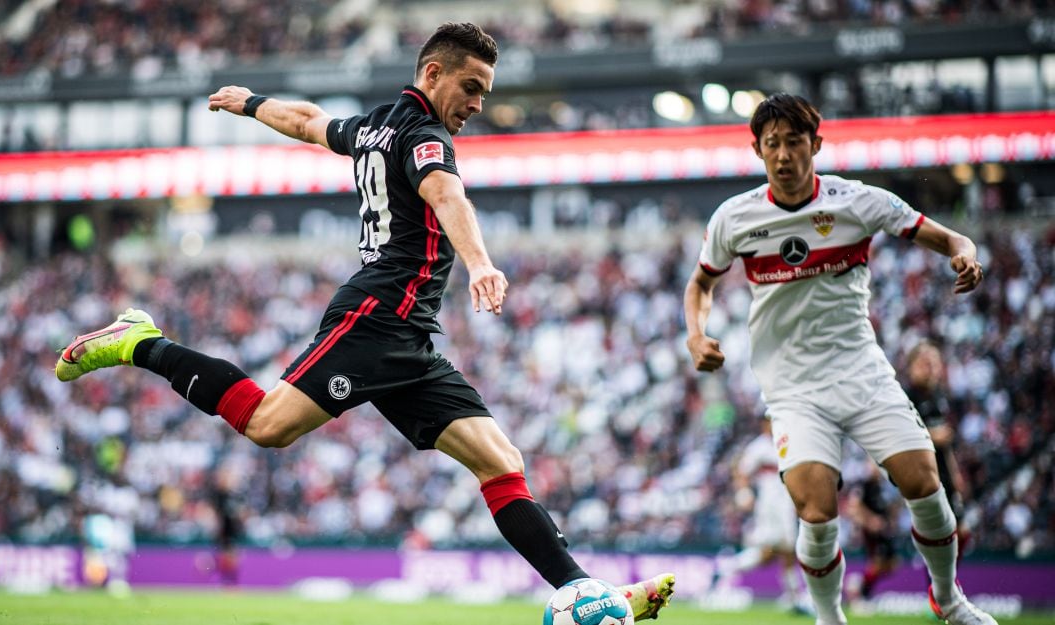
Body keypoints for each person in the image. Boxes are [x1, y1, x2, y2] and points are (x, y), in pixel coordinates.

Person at [54, 22, 673, 618]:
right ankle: (142, 343)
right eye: (473, 87)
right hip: (375, 321)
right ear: (434, 73)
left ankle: (589, 593)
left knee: (500, 460)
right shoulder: (426, 137)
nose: (480, 103)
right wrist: (481, 263)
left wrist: (252, 103)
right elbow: (446, 194)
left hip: (409, 339)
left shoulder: (376, 126)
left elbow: (307, 121)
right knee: (269, 426)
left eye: (486, 91)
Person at [683, 92, 994, 625]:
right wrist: (696, 334)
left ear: (816, 144)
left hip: (860, 371)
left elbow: (950, 237)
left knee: (924, 483)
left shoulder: (858, 201)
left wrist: (964, 253)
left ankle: (949, 599)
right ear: (757, 151)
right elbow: (700, 286)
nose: (783, 155)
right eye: (772, 144)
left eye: (794, 142)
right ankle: (830, 619)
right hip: (792, 387)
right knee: (816, 511)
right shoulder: (734, 218)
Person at [712, 419, 806, 613]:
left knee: (782, 551)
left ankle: (793, 597)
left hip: (785, 503)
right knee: (776, 550)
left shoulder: (788, 443)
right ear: (764, 424)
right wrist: (744, 493)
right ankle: (727, 570)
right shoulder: (759, 447)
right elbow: (741, 471)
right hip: (770, 504)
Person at [903, 341, 972, 555]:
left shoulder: (939, 396)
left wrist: (955, 472)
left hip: (944, 473)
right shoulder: (905, 397)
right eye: (924, 363)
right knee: (938, 535)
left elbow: (946, 443)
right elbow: (902, 437)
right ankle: (939, 584)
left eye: (934, 363)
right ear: (912, 366)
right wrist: (932, 436)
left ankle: (946, 581)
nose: (930, 368)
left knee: (961, 532)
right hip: (923, 475)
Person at [844, 461, 901, 612]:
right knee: (876, 563)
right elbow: (853, 507)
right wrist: (870, 521)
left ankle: (859, 583)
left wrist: (891, 520)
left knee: (891, 564)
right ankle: (861, 594)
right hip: (871, 532)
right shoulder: (863, 485)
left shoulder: (883, 486)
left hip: (885, 531)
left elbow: (892, 505)